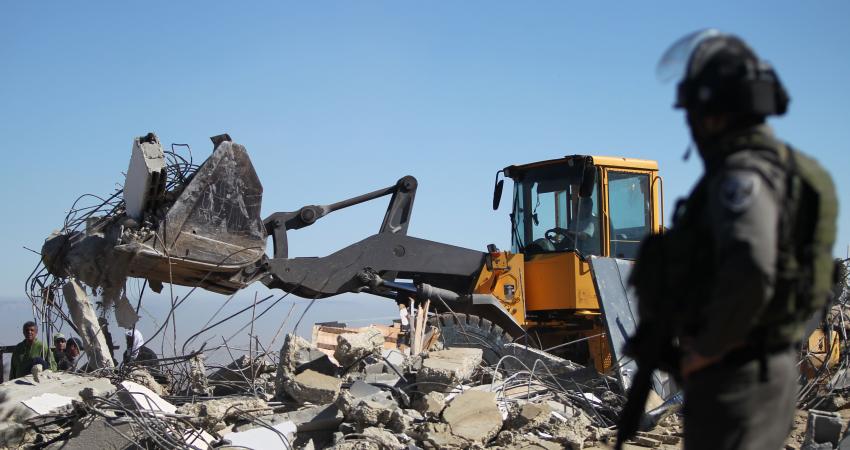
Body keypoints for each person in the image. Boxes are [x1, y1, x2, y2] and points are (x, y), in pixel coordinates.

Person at [652, 30, 838, 449]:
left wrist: (707, 351)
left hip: (736, 375)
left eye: (695, 113)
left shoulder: (740, 179)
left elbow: (751, 269)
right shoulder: (787, 172)